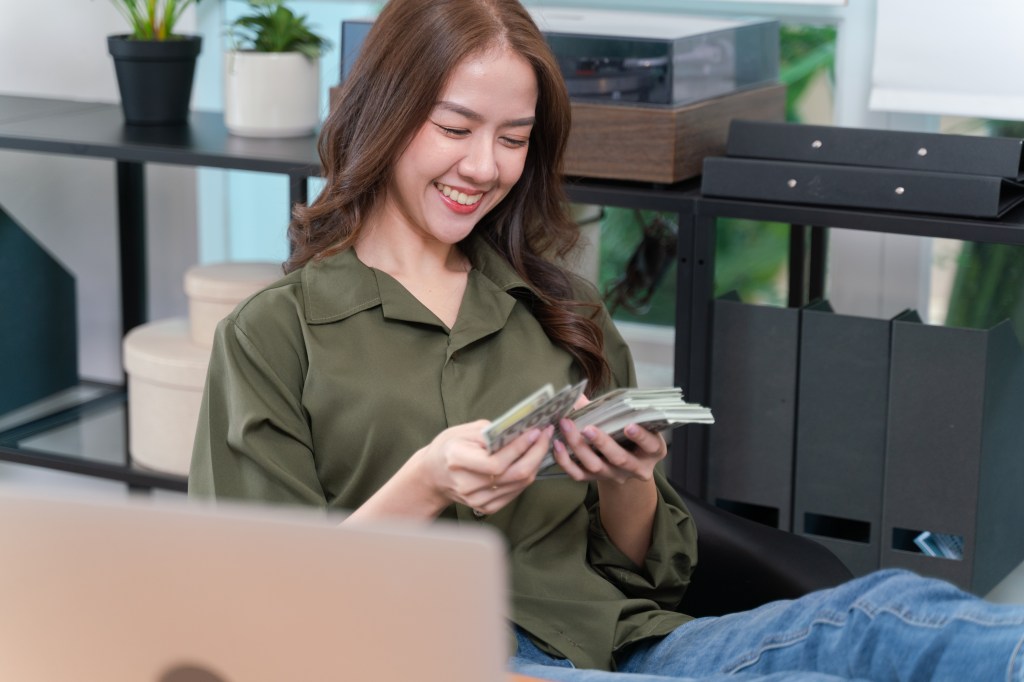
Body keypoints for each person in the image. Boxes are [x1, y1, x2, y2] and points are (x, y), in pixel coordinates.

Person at [188, 0, 1024, 679]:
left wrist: (631, 481)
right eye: (455, 128)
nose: (484, 166)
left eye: (513, 139)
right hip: (434, 657)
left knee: (883, 617)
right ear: (383, 112)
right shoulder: (274, 337)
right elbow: (270, 605)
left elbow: (649, 573)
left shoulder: (562, 310)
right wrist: (427, 480)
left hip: (629, 646)